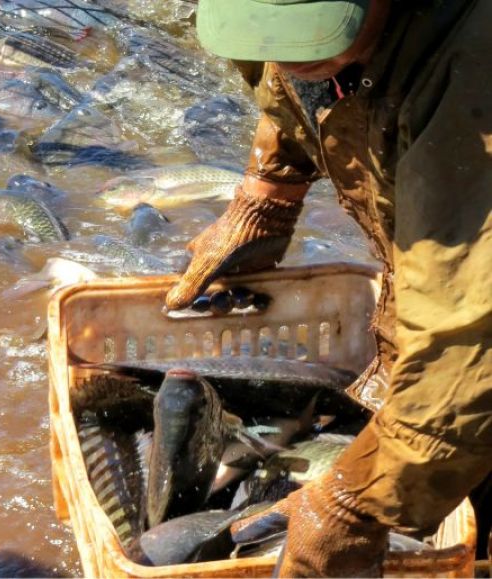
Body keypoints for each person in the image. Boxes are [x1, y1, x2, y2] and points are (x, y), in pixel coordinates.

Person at [165, 0, 492, 575]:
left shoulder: (474, 72)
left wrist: (356, 503)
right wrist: (268, 194)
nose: (286, 56)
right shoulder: (321, 49)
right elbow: (307, 84)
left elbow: (471, 343)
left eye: (314, 33)